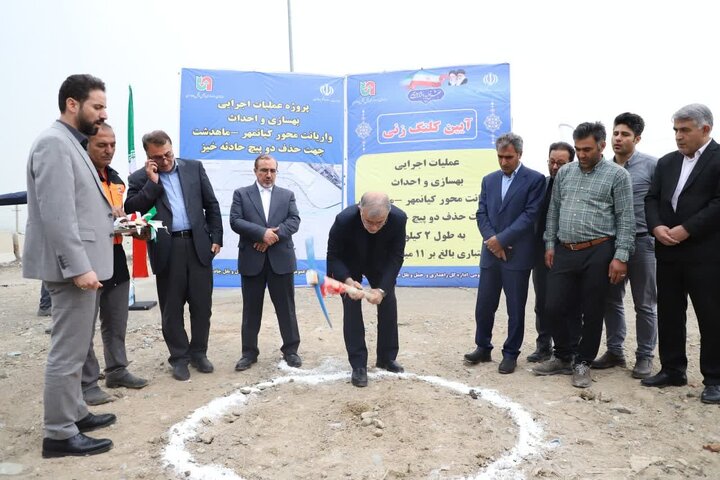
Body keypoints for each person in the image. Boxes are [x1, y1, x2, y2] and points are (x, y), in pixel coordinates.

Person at [23, 74, 115, 457]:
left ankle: (75, 412)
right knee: (66, 352)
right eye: (97, 106)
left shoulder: (70, 144)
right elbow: (57, 215)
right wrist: (78, 266)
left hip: (84, 267)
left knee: (77, 349)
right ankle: (59, 434)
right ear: (72, 104)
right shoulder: (53, 144)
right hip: (73, 271)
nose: (103, 113)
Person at [533, 122, 634, 389]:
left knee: (592, 310)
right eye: (578, 149)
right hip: (565, 250)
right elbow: (553, 211)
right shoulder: (565, 173)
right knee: (551, 306)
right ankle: (563, 355)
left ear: (601, 145)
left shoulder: (618, 175)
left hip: (600, 251)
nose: (582, 154)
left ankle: (582, 361)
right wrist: (550, 245)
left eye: (587, 149)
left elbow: (626, 218)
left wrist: (621, 255)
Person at [125, 130, 223, 381]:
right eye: (159, 157)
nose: (166, 160)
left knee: (202, 306)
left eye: (168, 154)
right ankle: (178, 358)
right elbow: (132, 207)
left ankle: (199, 353)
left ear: (172, 148)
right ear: (149, 157)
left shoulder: (193, 168)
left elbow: (211, 204)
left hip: (198, 246)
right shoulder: (140, 178)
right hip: (167, 249)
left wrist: (216, 238)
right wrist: (152, 182)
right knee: (172, 308)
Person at [643, 104, 720, 404]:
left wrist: (687, 229)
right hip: (668, 251)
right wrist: (657, 227)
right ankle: (672, 369)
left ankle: (714, 378)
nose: (678, 136)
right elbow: (651, 198)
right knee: (670, 312)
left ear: (705, 129)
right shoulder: (666, 163)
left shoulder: (718, 159)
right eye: (675, 129)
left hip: (706, 253)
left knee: (711, 316)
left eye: (685, 130)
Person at [463, 133, 545, 374]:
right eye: (500, 157)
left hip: (517, 256)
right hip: (491, 254)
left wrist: (502, 240)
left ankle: (510, 353)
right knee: (485, 305)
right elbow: (481, 214)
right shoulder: (489, 180)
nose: (503, 162)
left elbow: (530, 216)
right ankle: (483, 346)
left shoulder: (535, 180)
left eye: (508, 157)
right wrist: (492, 241)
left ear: (519, 154)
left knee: (515, 308)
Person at [80, 123, 149, 406]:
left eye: (112, 145)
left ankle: (117, 370)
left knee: (116, 321)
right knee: (83, 325)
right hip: (86, 260)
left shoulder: (118, 180)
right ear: (86, 145)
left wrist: (131, 226)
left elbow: (118, 218)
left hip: (116, 258)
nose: (108, 151)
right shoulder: (79, 176)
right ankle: (86, 383)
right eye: (101, 145)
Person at [593, 113, 658, 379]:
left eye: (625, 134)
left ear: (637, 138)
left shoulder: (653, 166)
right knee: (611, 300)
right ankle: (615, 351)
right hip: (612, 244)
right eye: (616, 133)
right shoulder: (604, 169)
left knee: (644, 303)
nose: (618, 138)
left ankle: (645, 357)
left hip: (643, 243)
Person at [229, 154, 302, 371]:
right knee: (251, 309)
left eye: (272, 171)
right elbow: (236, 221)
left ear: (276, 172)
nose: (268, 175)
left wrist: (272, 237)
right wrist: (262, 234)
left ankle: (291, 350)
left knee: (286, 308)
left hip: (281, 260)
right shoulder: (241, 194)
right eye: (263, 170)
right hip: (253, 260)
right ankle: (249, 353)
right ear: (255, 171)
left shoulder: (287, 195)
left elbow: (294, 221)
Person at [326, 192, 407, 387]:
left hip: (380, 262)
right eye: (369, 221)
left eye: (380, 223)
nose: (373, 227)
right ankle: (358, 365)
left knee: (388, 303)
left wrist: (381, 290)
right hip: (350, 262)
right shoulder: (344, 220)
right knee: (351, 305)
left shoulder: (399, 219)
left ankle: (387, 358)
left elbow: (396, 256)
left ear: (388, 214)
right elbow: (333, 255)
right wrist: (347, 280)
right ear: (360, 210)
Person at [526, 142, 578, 363]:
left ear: (571, 163)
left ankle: (568, 350)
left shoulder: (575, 186)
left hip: (568, 253)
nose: (555, 167)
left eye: (561, 163)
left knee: (568, 304)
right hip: (541, 254)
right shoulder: (543, 185)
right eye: (552, 162)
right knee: (543, 302)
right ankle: (543, 345)